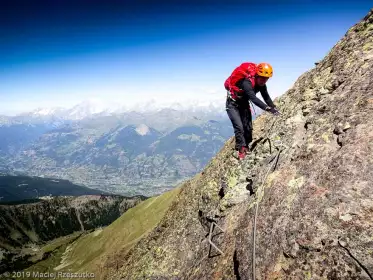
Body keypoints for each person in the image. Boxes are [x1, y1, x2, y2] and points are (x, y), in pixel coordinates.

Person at [224, 62, 280, 160]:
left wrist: (273, 107)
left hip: (243, 104)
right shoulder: (247, 83)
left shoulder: (262, 85)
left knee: (248, 128)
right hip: (232, 104)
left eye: (266, 79)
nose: (264, 81)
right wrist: (268, 109)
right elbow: (253, 99)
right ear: (257, 75)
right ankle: (241, 150)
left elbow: (266, 96)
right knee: (239, 127)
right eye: (262, 78)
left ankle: (247, 146)